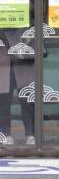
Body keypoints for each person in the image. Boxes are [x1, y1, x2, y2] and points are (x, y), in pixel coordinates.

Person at [0, 15, 36, 145]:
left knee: (27, 100)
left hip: (22, 62)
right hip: (3, 63)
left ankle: (31, 133)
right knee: (3, 101)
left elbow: (34, 34)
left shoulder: (27, 19)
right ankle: (5, 133)